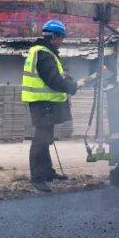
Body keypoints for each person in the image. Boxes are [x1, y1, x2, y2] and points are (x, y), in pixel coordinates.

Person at [22, 20, 78, 192]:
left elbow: (59, 75)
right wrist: (72, 87)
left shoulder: (44, 51)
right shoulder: (44, 54)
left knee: (46, 138)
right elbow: (54, 81)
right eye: (61, 38)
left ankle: (47, 172)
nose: (62, 41)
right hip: (43, 103)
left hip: (44, 102)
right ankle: (37, 178)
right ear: (54, 36)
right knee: (41, 139)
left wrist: (70, 81)